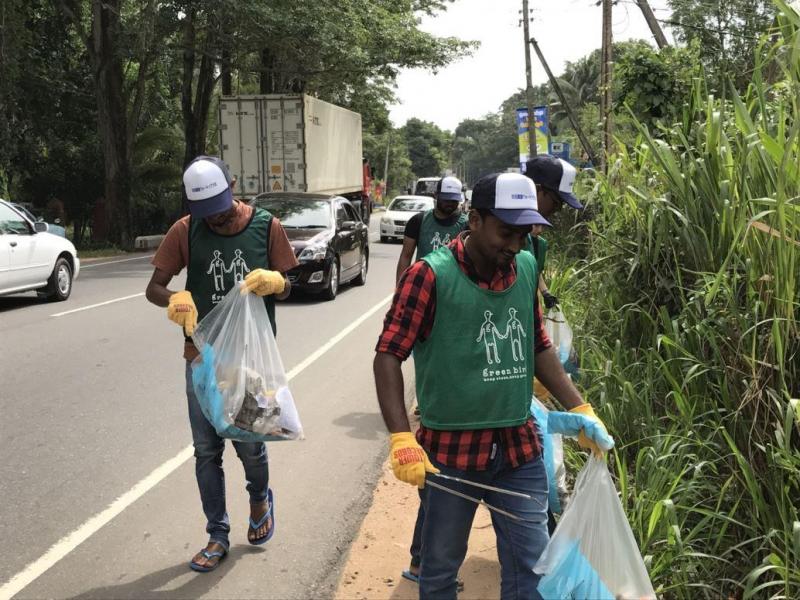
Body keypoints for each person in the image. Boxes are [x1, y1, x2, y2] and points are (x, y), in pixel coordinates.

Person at [374, 172, 609, 600]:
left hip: (519, 447)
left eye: (523, 234)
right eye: (506, 232)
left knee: (531, 566)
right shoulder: (429, 277)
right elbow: (389, 354)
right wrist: (401, 436)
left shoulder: (524, 265)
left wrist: (580, 408)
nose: (516, 245)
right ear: (475, 219)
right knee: (440, 567)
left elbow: (537, 344)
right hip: (452, 454)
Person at [145, 156, 299, 573]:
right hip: (202, 359)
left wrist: (278, 282)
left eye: (221, 209)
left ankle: (259, 497)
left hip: (250, 362)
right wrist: (174, 299)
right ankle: (217, 534)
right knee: (206, 450)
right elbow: (154, 287)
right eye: (206, 214)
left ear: (233, 187)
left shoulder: (267, 226)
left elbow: (293, 282)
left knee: (250, 444)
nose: (215, 219)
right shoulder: (185, 229)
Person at [523, 154, 584, 309]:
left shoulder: (527, 237)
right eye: (556, 202)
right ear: (536, 190)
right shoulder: (500, 234)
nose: (557, 210)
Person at [395, 176, 468, 283]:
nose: (450, 203)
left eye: (454, 200)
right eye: (446, 199)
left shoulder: (467, 225)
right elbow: (406, 256)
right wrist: (400, 287)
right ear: (436, 195)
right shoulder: (418, 221)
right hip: (422, 283)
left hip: (453, 287)